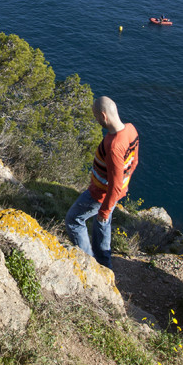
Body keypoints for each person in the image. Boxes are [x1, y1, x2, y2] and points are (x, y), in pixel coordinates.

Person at [64, 96, 139, 267]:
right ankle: (104, 265)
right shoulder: (131, 129)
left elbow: (115, 183)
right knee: (101, 226)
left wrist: (105, 209)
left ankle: (89, 263)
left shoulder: (113, 146)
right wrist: (124, 185)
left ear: (104, 116)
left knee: (74, 221)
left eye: (97, 117)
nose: (97, 120)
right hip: (112, 194)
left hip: (99, 194)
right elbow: (134, 162)